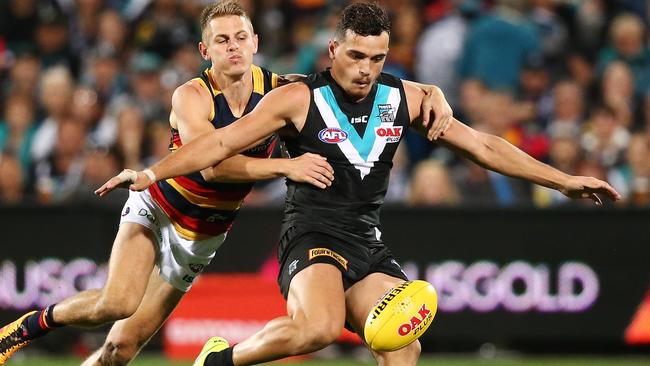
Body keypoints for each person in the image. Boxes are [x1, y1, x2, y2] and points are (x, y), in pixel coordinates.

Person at [92, 3, 621, 366]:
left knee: (403, 341)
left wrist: (563, 180)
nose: (366, 69)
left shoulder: (405, 97)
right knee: (317, 330)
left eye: (377, 58)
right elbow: (219, 146)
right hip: (311, 236)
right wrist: (150, 173)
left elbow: (482, 145)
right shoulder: (298, 99)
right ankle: (222, 358)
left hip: (365, 241)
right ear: (332, 50)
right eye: (356, 55)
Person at [0, 2, 453, 365]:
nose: (234, 47)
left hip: (204, 234)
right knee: (115, 303)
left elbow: (353, 82)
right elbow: (212, 166)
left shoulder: (280, 89)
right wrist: (285, 168)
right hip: (159, 208)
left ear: (255, 42)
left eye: (241, 38)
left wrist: (431, 93)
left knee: (122, 348)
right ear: (205, 51)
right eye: (222, 40)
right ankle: (28, 327)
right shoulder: (192, 95)